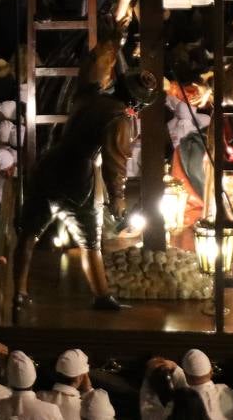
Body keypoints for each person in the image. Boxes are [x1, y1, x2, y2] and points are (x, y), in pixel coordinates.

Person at [14, 67, 154, 311]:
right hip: (78, 177)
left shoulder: (91, 98)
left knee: (30, 233)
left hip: (50, 164)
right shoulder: (119, 119)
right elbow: (115, 163)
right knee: (90, 241)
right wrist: (117, 198)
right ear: (135, 102)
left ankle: (19, 290)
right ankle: (101, 295)